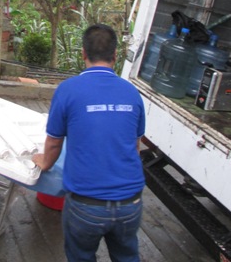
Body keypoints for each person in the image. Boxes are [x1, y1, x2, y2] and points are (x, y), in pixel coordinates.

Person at [32, 24, 146, 262]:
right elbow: (135, 146)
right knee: (127, 256)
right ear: (115, 55)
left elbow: (54, 142)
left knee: (80, 256)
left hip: (86, 205)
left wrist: (44, 162)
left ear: (83, 53)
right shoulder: (131, 93)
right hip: (130, 202)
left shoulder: (68, 90)